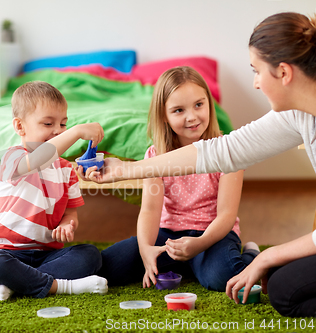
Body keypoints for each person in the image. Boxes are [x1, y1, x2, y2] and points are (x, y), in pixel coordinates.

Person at [80, 12, 316, 317]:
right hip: (173, 235)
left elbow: (225, 182)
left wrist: (264, 259)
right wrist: (125, 170)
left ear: (283, 72)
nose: (255, 84)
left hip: (212, 237)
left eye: (256, 71)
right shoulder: (298, 114)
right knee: (284, 287)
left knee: (273, 288)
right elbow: (225, 151)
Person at [97, 66, 259, 291]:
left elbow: (226, 215)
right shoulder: (155, 156)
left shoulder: (228, 151)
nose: (192, 117)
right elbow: (150, 210)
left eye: (199, 105)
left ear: (209, 104)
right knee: (108, 267)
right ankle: (182, 264)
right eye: (179, 110)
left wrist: (200, 244)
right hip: (168, 236)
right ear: (164, 115)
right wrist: (146, 250)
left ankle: (252, 254)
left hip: (211, 235)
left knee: (224, 278)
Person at [0, 81, 108, 301]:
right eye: (48, 123)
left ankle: (18, 283)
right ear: (20, 127)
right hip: (6, 251)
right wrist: (75, 132)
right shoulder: (13, 157)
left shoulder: (66, 169)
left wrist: (67, 224)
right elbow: (40, 157)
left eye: (63, 124)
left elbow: (70, 213)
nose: (58, 130)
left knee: (90, 255)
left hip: (47, 255)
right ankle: (64, 287)